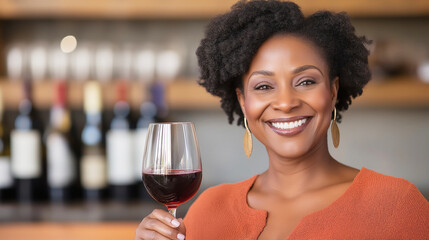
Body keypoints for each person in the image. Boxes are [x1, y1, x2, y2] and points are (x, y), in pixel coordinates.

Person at [135, 1, 429, 239]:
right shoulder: (208, 210)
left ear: (333, 90)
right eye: (264, 86)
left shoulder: (397, 206)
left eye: (305, 81)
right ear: (242, 101)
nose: (286, 103)